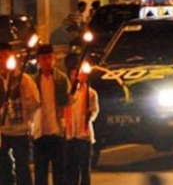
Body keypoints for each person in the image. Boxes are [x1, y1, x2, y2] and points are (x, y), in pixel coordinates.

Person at [0, 42, 41, 185]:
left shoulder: (23, 79)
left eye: (5, 57)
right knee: (3, 168)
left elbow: (35, 102)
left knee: (22, 167)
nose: (2, 61)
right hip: (2, 131)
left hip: (20, 130)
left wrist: (22, 96)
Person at [33, 44, 71, 185]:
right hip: (39, 131)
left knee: (59, 172)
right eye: (43, 58)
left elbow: (68, 104)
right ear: (38, 60)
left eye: (49, 57)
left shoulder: (61, 80)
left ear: (54, 58)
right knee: (40, 173)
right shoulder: (33, 80)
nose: (47, 61)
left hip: (57, 131)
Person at [65, 63, 99, 185]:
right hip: (69, 136)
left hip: (84, 136)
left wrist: (90, 116)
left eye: (81, 75)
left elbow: (95, 111)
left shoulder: (91, 93)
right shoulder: (67, 93)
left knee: (85, 169)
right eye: (75, 75)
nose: (78, 78)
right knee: (70, 169)